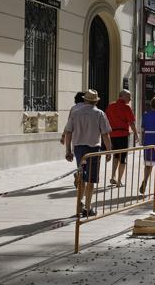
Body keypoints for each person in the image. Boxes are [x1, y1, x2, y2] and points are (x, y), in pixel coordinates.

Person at [64, 89, 112, 217]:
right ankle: (87, 207)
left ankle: (79, 201)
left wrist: (68, 150)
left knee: (82, 177)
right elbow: (105, 134)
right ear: (96, 101)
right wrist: (109, 150)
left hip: (79, 148)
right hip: (93, 149)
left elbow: (68, 132)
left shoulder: (76, 113)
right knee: (91, 179)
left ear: (85, 99)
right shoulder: (99, 113)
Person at [105, 90, 139, 187]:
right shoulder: (126, 107)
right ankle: (119, 181)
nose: (130, 98)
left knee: (116, 155)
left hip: (112, 135)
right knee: (123, 158)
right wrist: (136, 133)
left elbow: (105, 120)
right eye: (129, 96)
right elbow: (131, 122)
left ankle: (113, 176)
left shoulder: (110, 106)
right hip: (123, 134)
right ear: (122, 96)